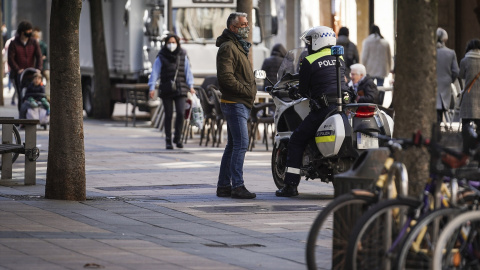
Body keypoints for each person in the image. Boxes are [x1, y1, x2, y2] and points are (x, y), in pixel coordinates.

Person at [275, 26, 348, 197]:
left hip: (324, 108)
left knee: (296, 139)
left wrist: (295, 92)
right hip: (343, 106)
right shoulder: (340, 58)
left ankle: (290, 186)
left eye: (309, 41)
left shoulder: (309, 60)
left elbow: (303, 89)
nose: (308, 45)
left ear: (317, 40)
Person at [215, 12, 257, 199]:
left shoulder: (239, 46)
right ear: (232, 28)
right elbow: (226, 78)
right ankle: (237, 186)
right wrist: (246, 91)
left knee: (232, 145)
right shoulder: (228, 47)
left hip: (240, 101)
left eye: (247, 24)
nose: (246, 28)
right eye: (243, 25)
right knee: (241, 144)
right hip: (235, 102)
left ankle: (224, 185)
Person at [148, 34, 195, 150]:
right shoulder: (161, 56)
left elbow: (187, 71)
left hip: (181, 88)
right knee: (168, 115)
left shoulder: (183, 54)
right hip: (166, 88)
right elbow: (155, 72)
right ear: (166, 43)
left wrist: (191, 85)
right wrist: (152, 87)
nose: (171, 45)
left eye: (174, 42)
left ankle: (177, 138)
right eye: (169, 42)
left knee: (180, 113)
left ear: (178, 43)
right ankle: (168, 140)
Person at [8, 21, 43, 112]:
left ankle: (32, 114)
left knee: (32, 95)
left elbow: (39, 56)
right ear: (22, 32)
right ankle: (22, 117)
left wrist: (38, 69)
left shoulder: (34, 42)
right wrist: (18, 69)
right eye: (29, 31)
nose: (30, 33)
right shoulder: (14, 43)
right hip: (19, 74)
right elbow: (10, 59)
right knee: (21, 95)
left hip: (31, 74)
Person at [459, 39, 480, 154]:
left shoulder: (464, 61)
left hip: (468, 97)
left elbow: (461, 75)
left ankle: (466, 151)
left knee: (466, 125)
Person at [436, 27, 459, 124]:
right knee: (441, 108)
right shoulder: (451, 53)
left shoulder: (429, 52)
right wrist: (450, 80)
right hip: (445, 84)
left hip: (431, 85)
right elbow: (456, 71)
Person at [33, 27, 50, 99]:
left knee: (48, 76)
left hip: (43, 66)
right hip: (36, 66)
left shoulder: (43, 45)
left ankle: (47, 94)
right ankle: (39, 93)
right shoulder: (32, 45)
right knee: (37, 77)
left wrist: (43, 58)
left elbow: (46, 56)